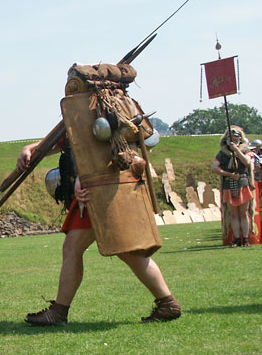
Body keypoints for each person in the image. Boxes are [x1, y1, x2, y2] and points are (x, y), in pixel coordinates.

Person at [18, 137, 181, 326]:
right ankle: (167, 303)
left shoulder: (98, 110)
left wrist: (83, 178)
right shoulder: (82, 109)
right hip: (104, 186)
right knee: (127, 251)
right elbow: (66, 140)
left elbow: (98, 145)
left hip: (100, 188)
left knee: (73, 248)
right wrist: (30, 148)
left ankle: (59, 311)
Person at [212, 126, 255, 247]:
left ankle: (245, 238)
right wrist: (229, 174)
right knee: (234, 214)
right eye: (231, 137)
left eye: (235, 137)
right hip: (229, 184)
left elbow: (246, 162)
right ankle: (237, 239)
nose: (233, 139)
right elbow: (214, 168)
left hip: (243, 183)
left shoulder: (245, 150)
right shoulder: (222, 153)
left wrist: (237, 150)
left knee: (244, 212)